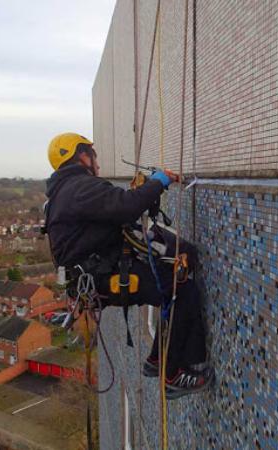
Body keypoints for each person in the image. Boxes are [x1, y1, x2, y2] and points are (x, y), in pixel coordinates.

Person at [44, 132, 213, 399]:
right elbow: (125, 207)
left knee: (176, 273)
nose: (97, 161)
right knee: (180, 289)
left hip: (98, 274)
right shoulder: (79, 188)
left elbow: (112, 210)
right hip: (104, 276)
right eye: (93, 154)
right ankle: (173, 375)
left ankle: (157, 359)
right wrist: (159, 182)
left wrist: (141, 190)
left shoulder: (66, 192)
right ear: (82, 156)